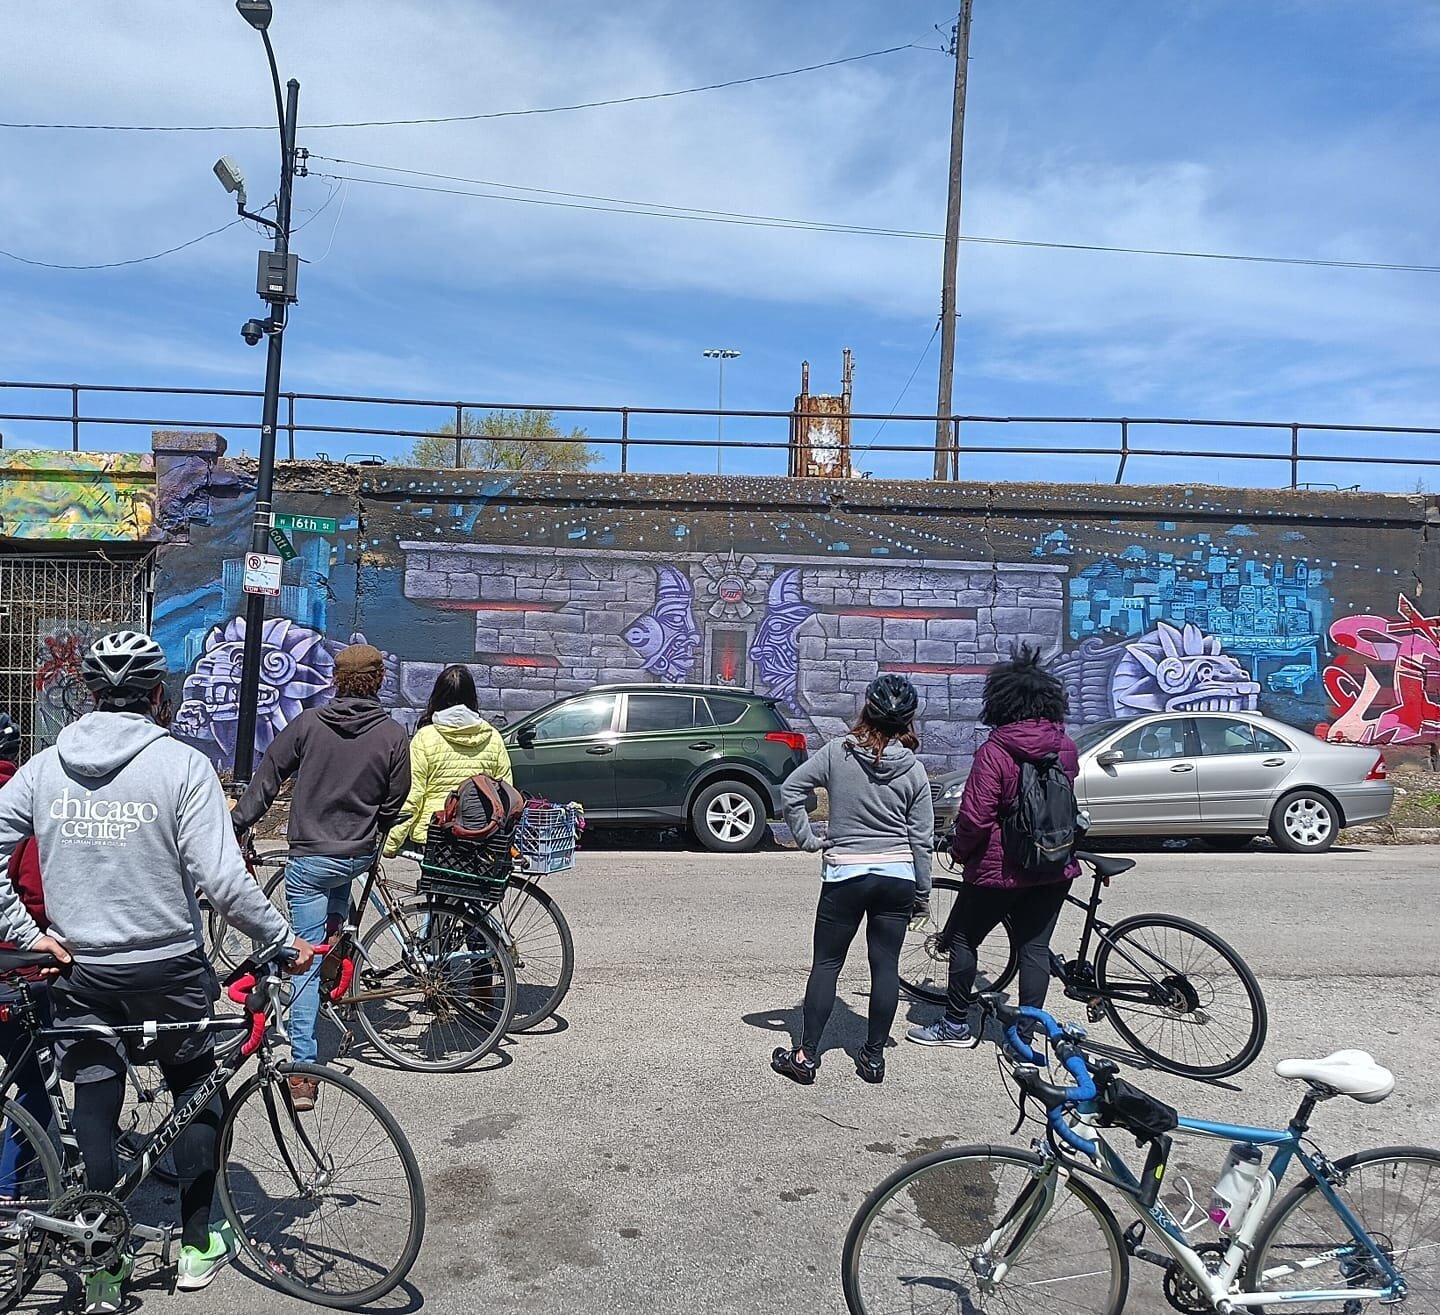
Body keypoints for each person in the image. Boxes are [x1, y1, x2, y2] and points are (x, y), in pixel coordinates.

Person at [0, 633, 309, 1313]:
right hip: (169, 967)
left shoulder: (46, 767)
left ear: (88, 695)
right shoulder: (182, 765)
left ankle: (104, 1260)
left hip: (82, 969)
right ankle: (199, 1244)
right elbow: (223, 881)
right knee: (196, 1087)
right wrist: (281, 937)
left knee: (98, 1104)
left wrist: (30, 934)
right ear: (159, 695)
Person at [232, 643, 410, 1108]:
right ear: (378, 680)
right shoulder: (392, 734)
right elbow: (397, 798)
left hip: (311, 858)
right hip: (357, 854)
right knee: (334, 930)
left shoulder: (308, 725)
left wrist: (238, 823)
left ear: (335, 679)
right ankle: (337, 976)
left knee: (302, 962)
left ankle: (303, 1070)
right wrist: (372, 829)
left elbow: (268, 775)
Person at [909, 645, 1079, 1048]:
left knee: (965, 939)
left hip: (1000, 868)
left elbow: (976, 816)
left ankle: (954, 1025)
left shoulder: (996, 750)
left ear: (1000, 703)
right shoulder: (1065, 747)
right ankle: (1024, 1035)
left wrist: (960, 851)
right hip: (1053, 863)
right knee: (1034, 947)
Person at [774, 674, 934, 1085]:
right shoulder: (914, 770)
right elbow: (922, 839)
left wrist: (808, 838)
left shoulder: (836, 753)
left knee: (827, 964)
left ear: (866, 710)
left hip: (846, 873)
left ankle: (806, 1056)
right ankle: (873, 1058)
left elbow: (792, 789)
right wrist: (922, 892)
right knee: (885, 967)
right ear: (907, 722)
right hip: (896, 875)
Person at [383, 664, 513, 860]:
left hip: (435, 833)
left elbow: (413, 794)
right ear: (472, 698)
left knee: (437, 887)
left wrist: (391, 843)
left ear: (437, 696)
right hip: (481, 834)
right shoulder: (493, 737)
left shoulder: (425, 737)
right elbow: (506, 791)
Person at [0, 712, 51, 1198]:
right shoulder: (23, 810)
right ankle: (7, 1186)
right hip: (16, 970)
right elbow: (35, 897)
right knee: (36, 1080)